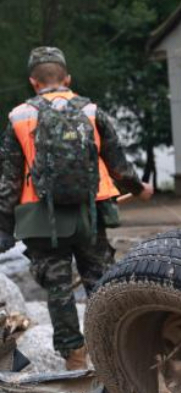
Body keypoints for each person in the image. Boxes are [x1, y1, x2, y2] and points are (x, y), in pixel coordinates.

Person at [0, 46, 152, 370]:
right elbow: (119, 166)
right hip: (90, 214)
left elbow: (9, 181)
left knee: (58, 288)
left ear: (33, 82)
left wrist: (4, 228)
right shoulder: (92, 111)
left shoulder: (19, 117)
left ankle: (75, 359)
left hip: (41, 220)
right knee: (99, 280)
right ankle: (114, 350)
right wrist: (140, 190)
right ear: (67, 78)